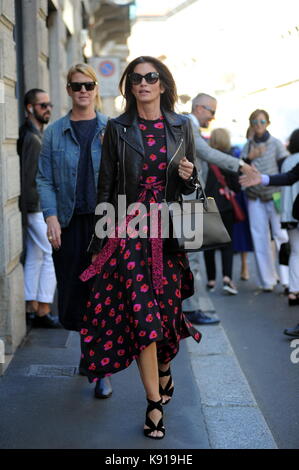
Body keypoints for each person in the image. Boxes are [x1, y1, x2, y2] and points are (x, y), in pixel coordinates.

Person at [79, 56, 201, 439]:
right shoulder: (118, 129)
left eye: (151, 77)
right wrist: (100, 240)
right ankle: (153, 404)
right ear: (129, 87)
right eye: (137, 79)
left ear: (163, 84)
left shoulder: (182, 126)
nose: (144, 83)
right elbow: (106, 183)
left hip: (166, 234)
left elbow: (190, 188)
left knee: (164, 313)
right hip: (128, 233)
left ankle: (164, 366)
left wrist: (188, 176)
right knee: (142, 318)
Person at [36, 63, 112, 398]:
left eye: (89, 85)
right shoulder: (54, 132)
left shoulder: (111, 129)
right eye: (76, 85)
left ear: (96, 89)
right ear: (68, 90)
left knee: (101, 293)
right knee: (72, 296)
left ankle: (100, 367)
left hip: (103, 224)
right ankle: (88, 355)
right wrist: (50, 216)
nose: (83, 90)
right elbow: (44, 179)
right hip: (68, 224)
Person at [182, 93, 255, 325]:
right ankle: (190, 310)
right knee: (191, 257)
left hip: (189, 197)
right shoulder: (187, 125)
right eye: (211, 111)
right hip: (188, 198)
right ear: (199, 108)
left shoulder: (186, 125)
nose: (213, 117)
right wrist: (240, 164)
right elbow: (207, 153)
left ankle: (187, 308)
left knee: (189, 256)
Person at [240, 130, 299, 338]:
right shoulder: (249, 146)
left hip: (284, 207)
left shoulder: (276, 145)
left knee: (292, 250)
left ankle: (289, 286)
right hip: (279, 205)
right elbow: (291, 176)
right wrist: (262, 178)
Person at [17, 89, 58, 328]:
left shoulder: (35, 134)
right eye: (42, 105)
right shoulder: (31, 137)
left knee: (35, 254)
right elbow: (28, 177)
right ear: (30, 108)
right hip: (36, 207)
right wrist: (35, 209)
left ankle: (31, 306)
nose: (47, 109)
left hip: (35, 206)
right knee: (51, 252)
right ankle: (43, 309)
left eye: (49, 104)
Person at [240, 109, 289, 292]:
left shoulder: (276, 143)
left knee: (281, 235)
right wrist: (250, 157)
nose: (258, 125)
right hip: (254, 197)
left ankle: (287, 279)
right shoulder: (248, 145)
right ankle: (267, 280)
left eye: (261, 121)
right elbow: (239, 166)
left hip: (275, 195)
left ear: (267, 123)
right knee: (259, 237)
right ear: (251, 124)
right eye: (254, 121)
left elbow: (286, 167)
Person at [203, 128, 241, 295]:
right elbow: (237, 186)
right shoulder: (228, 159)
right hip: (225, 206)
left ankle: (211, 281)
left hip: (208, 206)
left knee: (209, 244)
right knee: (227, 243)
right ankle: (227, 278)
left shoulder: (205, 159)